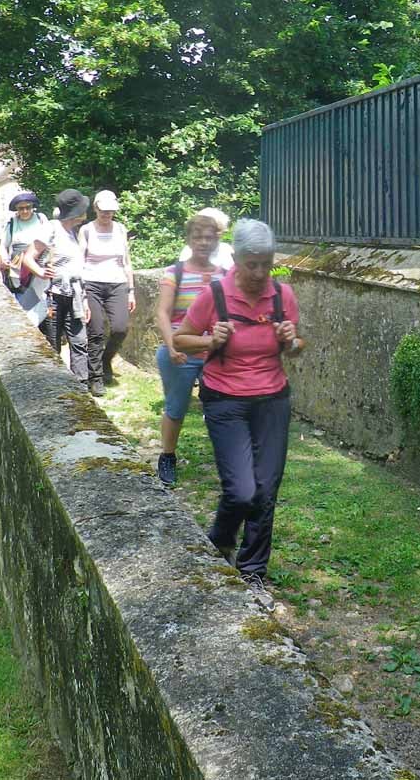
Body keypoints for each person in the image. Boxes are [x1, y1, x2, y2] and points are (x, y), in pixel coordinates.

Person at [174, 219, 305, 607]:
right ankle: (221, 540)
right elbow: (180, 338)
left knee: (266, 489)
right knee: (242, 489)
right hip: (225, 398)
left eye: (266, 263)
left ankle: (252, 572)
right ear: (235, 259)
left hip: (272, 399)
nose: (260, 273)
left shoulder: (283, 295)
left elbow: (298, 345)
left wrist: (292, 341)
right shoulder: (214, 295)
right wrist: (209, 339)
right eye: (252, 264)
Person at [154, 213, 224, 485]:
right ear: (189, 240)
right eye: (198, 237)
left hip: (216, 354)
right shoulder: (176, 273)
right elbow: (162, 312)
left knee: (222, 408)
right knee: (176, 407)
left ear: (217, 240)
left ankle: (228, 461)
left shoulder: (226, 276)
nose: (204, 243)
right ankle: (167, 456)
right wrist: (171, 347)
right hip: (181, 353)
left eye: (209, 237)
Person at [79, 190, 135, 397]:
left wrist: (131, 291)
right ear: (95, 209)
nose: (107, 215)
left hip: (117, 283)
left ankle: (106, 359)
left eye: (111, 211)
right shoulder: (86, 230)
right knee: (96, 330)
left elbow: (127, 262)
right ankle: (95, 377)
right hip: (92, 283)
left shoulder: (120, 229)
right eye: (103, 211)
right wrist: (82, 293)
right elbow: (80, 261)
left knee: (120, 328)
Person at [40, 188, 91, 382]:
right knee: (53, 343)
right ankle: (55, 385)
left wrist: (85, 300)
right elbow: (29, 257)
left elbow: (77, 270)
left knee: (79, 342)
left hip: (75, 294)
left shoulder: (73, 233)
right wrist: (42, 272)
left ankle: (81, 386)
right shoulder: (53, 228)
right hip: (54, 294)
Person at [2, 192, 53, 325]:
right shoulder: (12, 223)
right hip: (18, 270)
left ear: (33, 207)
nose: (25, 211)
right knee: (23, 301)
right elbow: (3, 245)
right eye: (21, 208)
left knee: (40, 297)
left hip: (39, 265)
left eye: (28, 207)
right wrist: (5, 258)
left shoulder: (41, 219)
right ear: (16, 209)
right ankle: (25, 327)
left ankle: (36, 328)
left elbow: (49, 240)